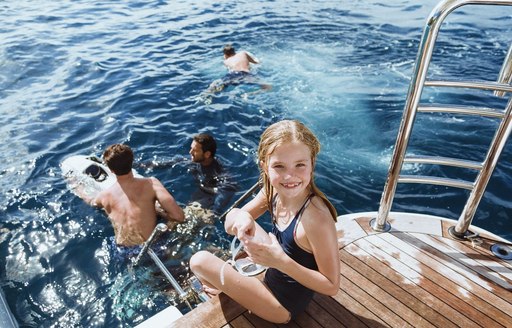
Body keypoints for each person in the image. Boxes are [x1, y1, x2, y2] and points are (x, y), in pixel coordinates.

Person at [189, 120, 340, 323]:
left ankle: (225, 296)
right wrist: (242, 218)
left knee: (198, 260)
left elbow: (331, 285)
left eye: (300, 165)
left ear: (312, 164)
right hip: (275, 270)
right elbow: (229, 224)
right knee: (242, 218)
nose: (289, 176)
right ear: (265, 167)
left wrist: (280, 261)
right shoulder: (272, 191)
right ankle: (226, 292)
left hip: (282, 306)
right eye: (279, 166)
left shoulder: (316, 218)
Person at [81, 144, 185, 247]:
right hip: (152, 246)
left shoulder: (104, 196)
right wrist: (159, 212)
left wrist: (77, 187)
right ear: (132, 162)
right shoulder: (151, 184)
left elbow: (90, 201)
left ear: (111, 170)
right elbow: (179, 216)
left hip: (122, 252)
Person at [189, 133, 237, 213]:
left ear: (207, 154)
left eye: (195, 150)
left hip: (209, 200)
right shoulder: (196, 162)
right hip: (199, 195)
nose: (190, 152)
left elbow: (228, 188)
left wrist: (214, 211)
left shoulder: (218, 171)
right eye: (191, 149)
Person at [207, 44, 271, 93]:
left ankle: (208, 93)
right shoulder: (243, 53)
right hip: (245, 74)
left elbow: (230, 68)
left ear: (225, 55)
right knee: (267, 87)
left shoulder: (225, 61)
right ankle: (250, 94)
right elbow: (255, 62)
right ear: (235, 51)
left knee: (219, 85)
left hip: (232, 75)